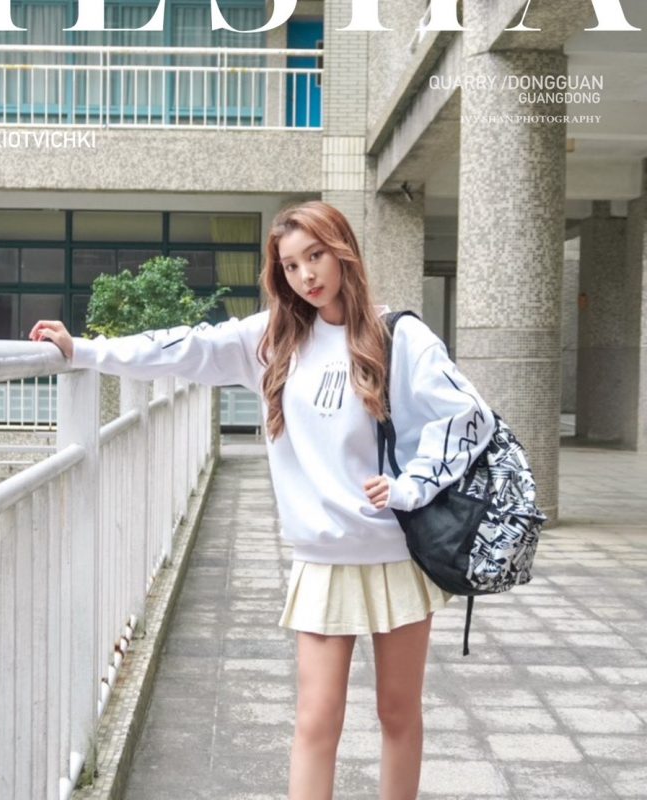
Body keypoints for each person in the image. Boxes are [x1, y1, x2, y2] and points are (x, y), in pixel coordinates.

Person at [29, 200, 494, 800]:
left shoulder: (398, 336)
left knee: (398, 712)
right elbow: (186, 348)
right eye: (291, 265)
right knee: (316, 720)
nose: (306, 275)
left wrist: (413, 485)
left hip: (395, 551)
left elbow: (468, 415)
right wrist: (87, 350)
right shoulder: (274, 338)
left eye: (316, 256)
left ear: (344, 251)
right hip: (323, 556)